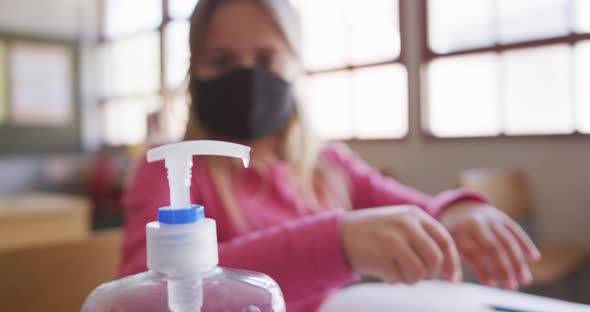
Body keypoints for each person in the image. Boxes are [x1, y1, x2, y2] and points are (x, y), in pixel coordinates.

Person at [120, 0, 541, 311]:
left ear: (294, 67)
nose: (247, 75)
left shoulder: (328, 165)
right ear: (194, 71)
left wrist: (455, 211)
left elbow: (413, 206)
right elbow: (143, 294)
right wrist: (336, 242)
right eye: (222, 60)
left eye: (267, 58)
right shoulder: (169, 166)